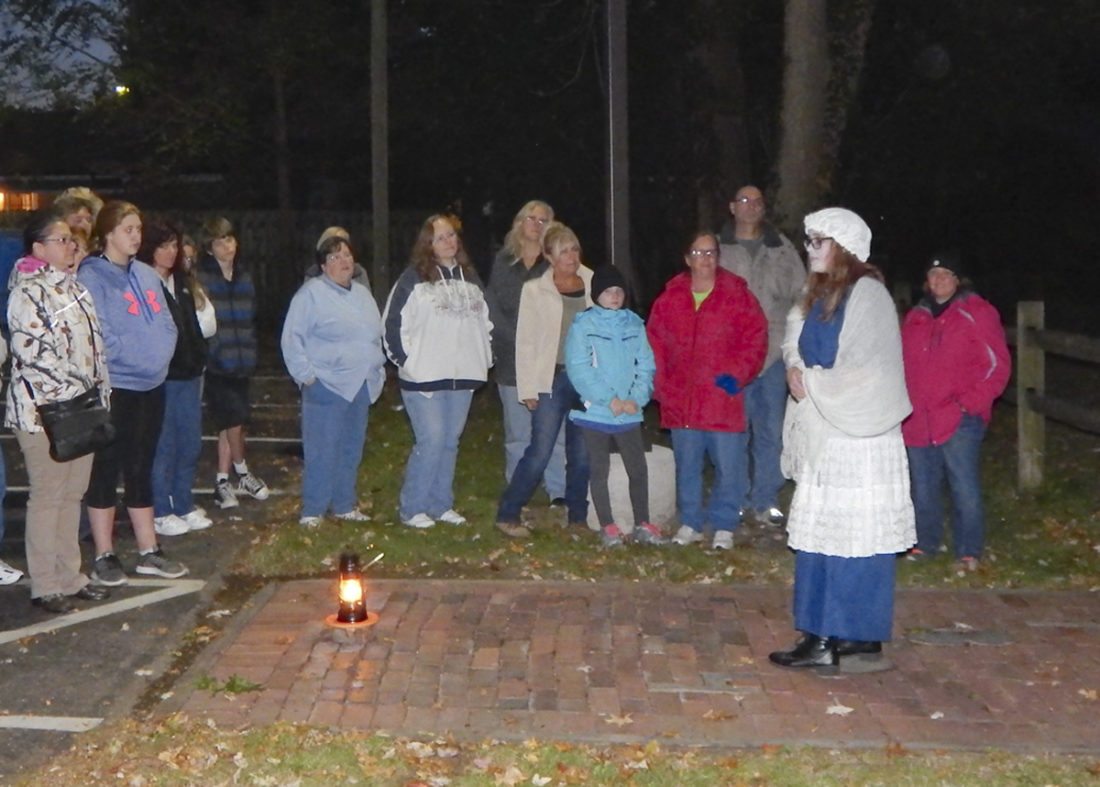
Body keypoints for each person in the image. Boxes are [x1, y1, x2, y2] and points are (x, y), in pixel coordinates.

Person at [769, 207, 915, 668]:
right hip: (826, 430)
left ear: (844, 246)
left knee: (855, 536)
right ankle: (836, 631)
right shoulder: (816, 292)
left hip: (858, 436)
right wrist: (796, 368)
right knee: (826, 536)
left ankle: (836, 636)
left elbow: (868, 370)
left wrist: (812, 382)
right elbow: (794, 338)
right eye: (809, 241)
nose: (811, 250)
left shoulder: (868, 295)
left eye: (820, 241)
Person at [4, 212, 113, 611]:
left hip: (82, 406)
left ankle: (70, 576)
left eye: (72, 240)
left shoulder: (75, 287)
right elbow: (33, 355)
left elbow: (94, 347)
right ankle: (45, 584)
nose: (72, 246)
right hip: (43, 413)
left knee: (72, 494)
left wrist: (100, 391)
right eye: (62, 240)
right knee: (48, 495)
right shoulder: (27, 293)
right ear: (39, 248)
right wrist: (77, 388)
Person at [78, 201, 188, 586]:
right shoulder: (92, 276)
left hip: (151, 385)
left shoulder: (145, 274)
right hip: (117, 386)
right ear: (108, 233)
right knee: (106, 467)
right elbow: (99, 332)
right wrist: (132, 357)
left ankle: (148, 550)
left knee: (142, 465)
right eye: (128, 229)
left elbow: (167, 322)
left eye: (138, 229)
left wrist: (159, 355)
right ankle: (104, 554)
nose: (136, 236)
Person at [647, 231, 767, 551]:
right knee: (687, 464)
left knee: (729, 465)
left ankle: (724, 524)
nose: (705, 259)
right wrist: (662, 384)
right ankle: (691, 521)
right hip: (682, 398)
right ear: (687, 258)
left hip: (720, 398)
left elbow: (755, 339)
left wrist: (734, 379)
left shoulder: (736, 295)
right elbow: (654, 344)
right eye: (699, 253)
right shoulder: (670, 298)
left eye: (711, 252)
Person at [383, 214, 493, 529]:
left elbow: (485, 322)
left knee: (449, 441)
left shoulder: (470, 279)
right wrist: (408, 362)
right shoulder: (413, 279)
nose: (448, 241)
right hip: (424, 379)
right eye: (440, 237)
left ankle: (440, 504)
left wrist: (484, 357)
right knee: (430, 440)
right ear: (427, 244)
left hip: (462, 377)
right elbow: (393, 324)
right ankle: (412, 507)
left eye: (451, 235)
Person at [902, 251, 1010, 570]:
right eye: (933, 274)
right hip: (919, 418)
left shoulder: (977, 312)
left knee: (964, 486)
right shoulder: (916, 317)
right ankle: (926, 543)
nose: (938, 280)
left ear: (958, 280)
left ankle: (968, 550)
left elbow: (998, 366)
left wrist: (969, 403)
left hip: (959, 416)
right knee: (923, 486)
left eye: (946, 274)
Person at [495, 222, 593, 538]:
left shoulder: (594, 283)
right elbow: (525, 341)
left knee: (582, 455)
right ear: (549, 256)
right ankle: (508, 512)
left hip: (586, 381)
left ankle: (577, 518)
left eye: (574, 249)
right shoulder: (535, 290)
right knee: (540, 450)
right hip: (552, 379)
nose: (571, 257)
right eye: (563, 251)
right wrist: (528, 387)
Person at [282, 235, 387, 526]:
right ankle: (313, 509)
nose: (344, 261)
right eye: (335, 257)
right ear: (323, 266)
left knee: (351, 448)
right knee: (321, 450)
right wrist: (307, 377)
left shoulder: (363, 294)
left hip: (360, 384)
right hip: (326, 384)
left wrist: (377, 371)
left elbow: (374, 336)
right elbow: (292, 339)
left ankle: (344, 504)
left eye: (347, 255)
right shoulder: (310, 295)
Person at [718, 185, 806, 526]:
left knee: (770, 429)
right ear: (732, 207)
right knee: (735, 429)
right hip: (733, 356)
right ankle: (736, 498)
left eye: (757, 201)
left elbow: (802, 297)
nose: (751, 207)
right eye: (744, 200)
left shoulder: (781, 248)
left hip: (773, 354)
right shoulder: (718, 248)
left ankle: (765, 499)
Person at [564, 265, 662, 547]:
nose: (615, 296)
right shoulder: (584, 325)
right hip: (596, 411)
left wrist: (636, 398)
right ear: (597, 295)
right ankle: (607, 526)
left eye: (619, 290)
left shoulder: (634, 324)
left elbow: (646, 365)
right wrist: (609, 400)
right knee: (599, 469)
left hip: (628, 412)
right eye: (608, 291)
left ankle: (642, 523)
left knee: (638, 469)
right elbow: (579, 368)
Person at [485, 200, 568, 505]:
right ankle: (518, 490)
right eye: (530, 218)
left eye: (543, 220)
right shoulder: (504, 260)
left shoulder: (556, 262)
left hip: (550, 360)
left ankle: (558, 491)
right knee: (518, 433)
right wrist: (516, 341)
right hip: (511, 360)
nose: (536, 224)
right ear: (520, 222)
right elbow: (493, 304)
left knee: (555, 432)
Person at [139, 220, 214, 537]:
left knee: (189, 442)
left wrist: (198, 359)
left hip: (189, 374)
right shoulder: (143, 282)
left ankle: (183, 502)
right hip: (162, 378)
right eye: (163, 246)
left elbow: (198, 327)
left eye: (174, 245)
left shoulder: (181, 282)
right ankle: (161, 509)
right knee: (164, 445)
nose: (170, 252)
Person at [196, 217, 269, 509]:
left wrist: (251, 349)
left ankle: (222, 480)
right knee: (234, 419)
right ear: (209, 248)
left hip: (243, 359)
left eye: (230, 239)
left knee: (230, 423)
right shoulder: (203, 278)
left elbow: (251, 317)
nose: (228, 246)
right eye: (220, 242)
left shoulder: (244, 276)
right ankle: (243, 471)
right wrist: (212, 352)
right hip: (217, 361)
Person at [303, 226, 371, 291]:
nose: (343, 260)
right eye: (336, 256)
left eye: (346, 254)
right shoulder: (312, 275)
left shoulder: (359, 272)